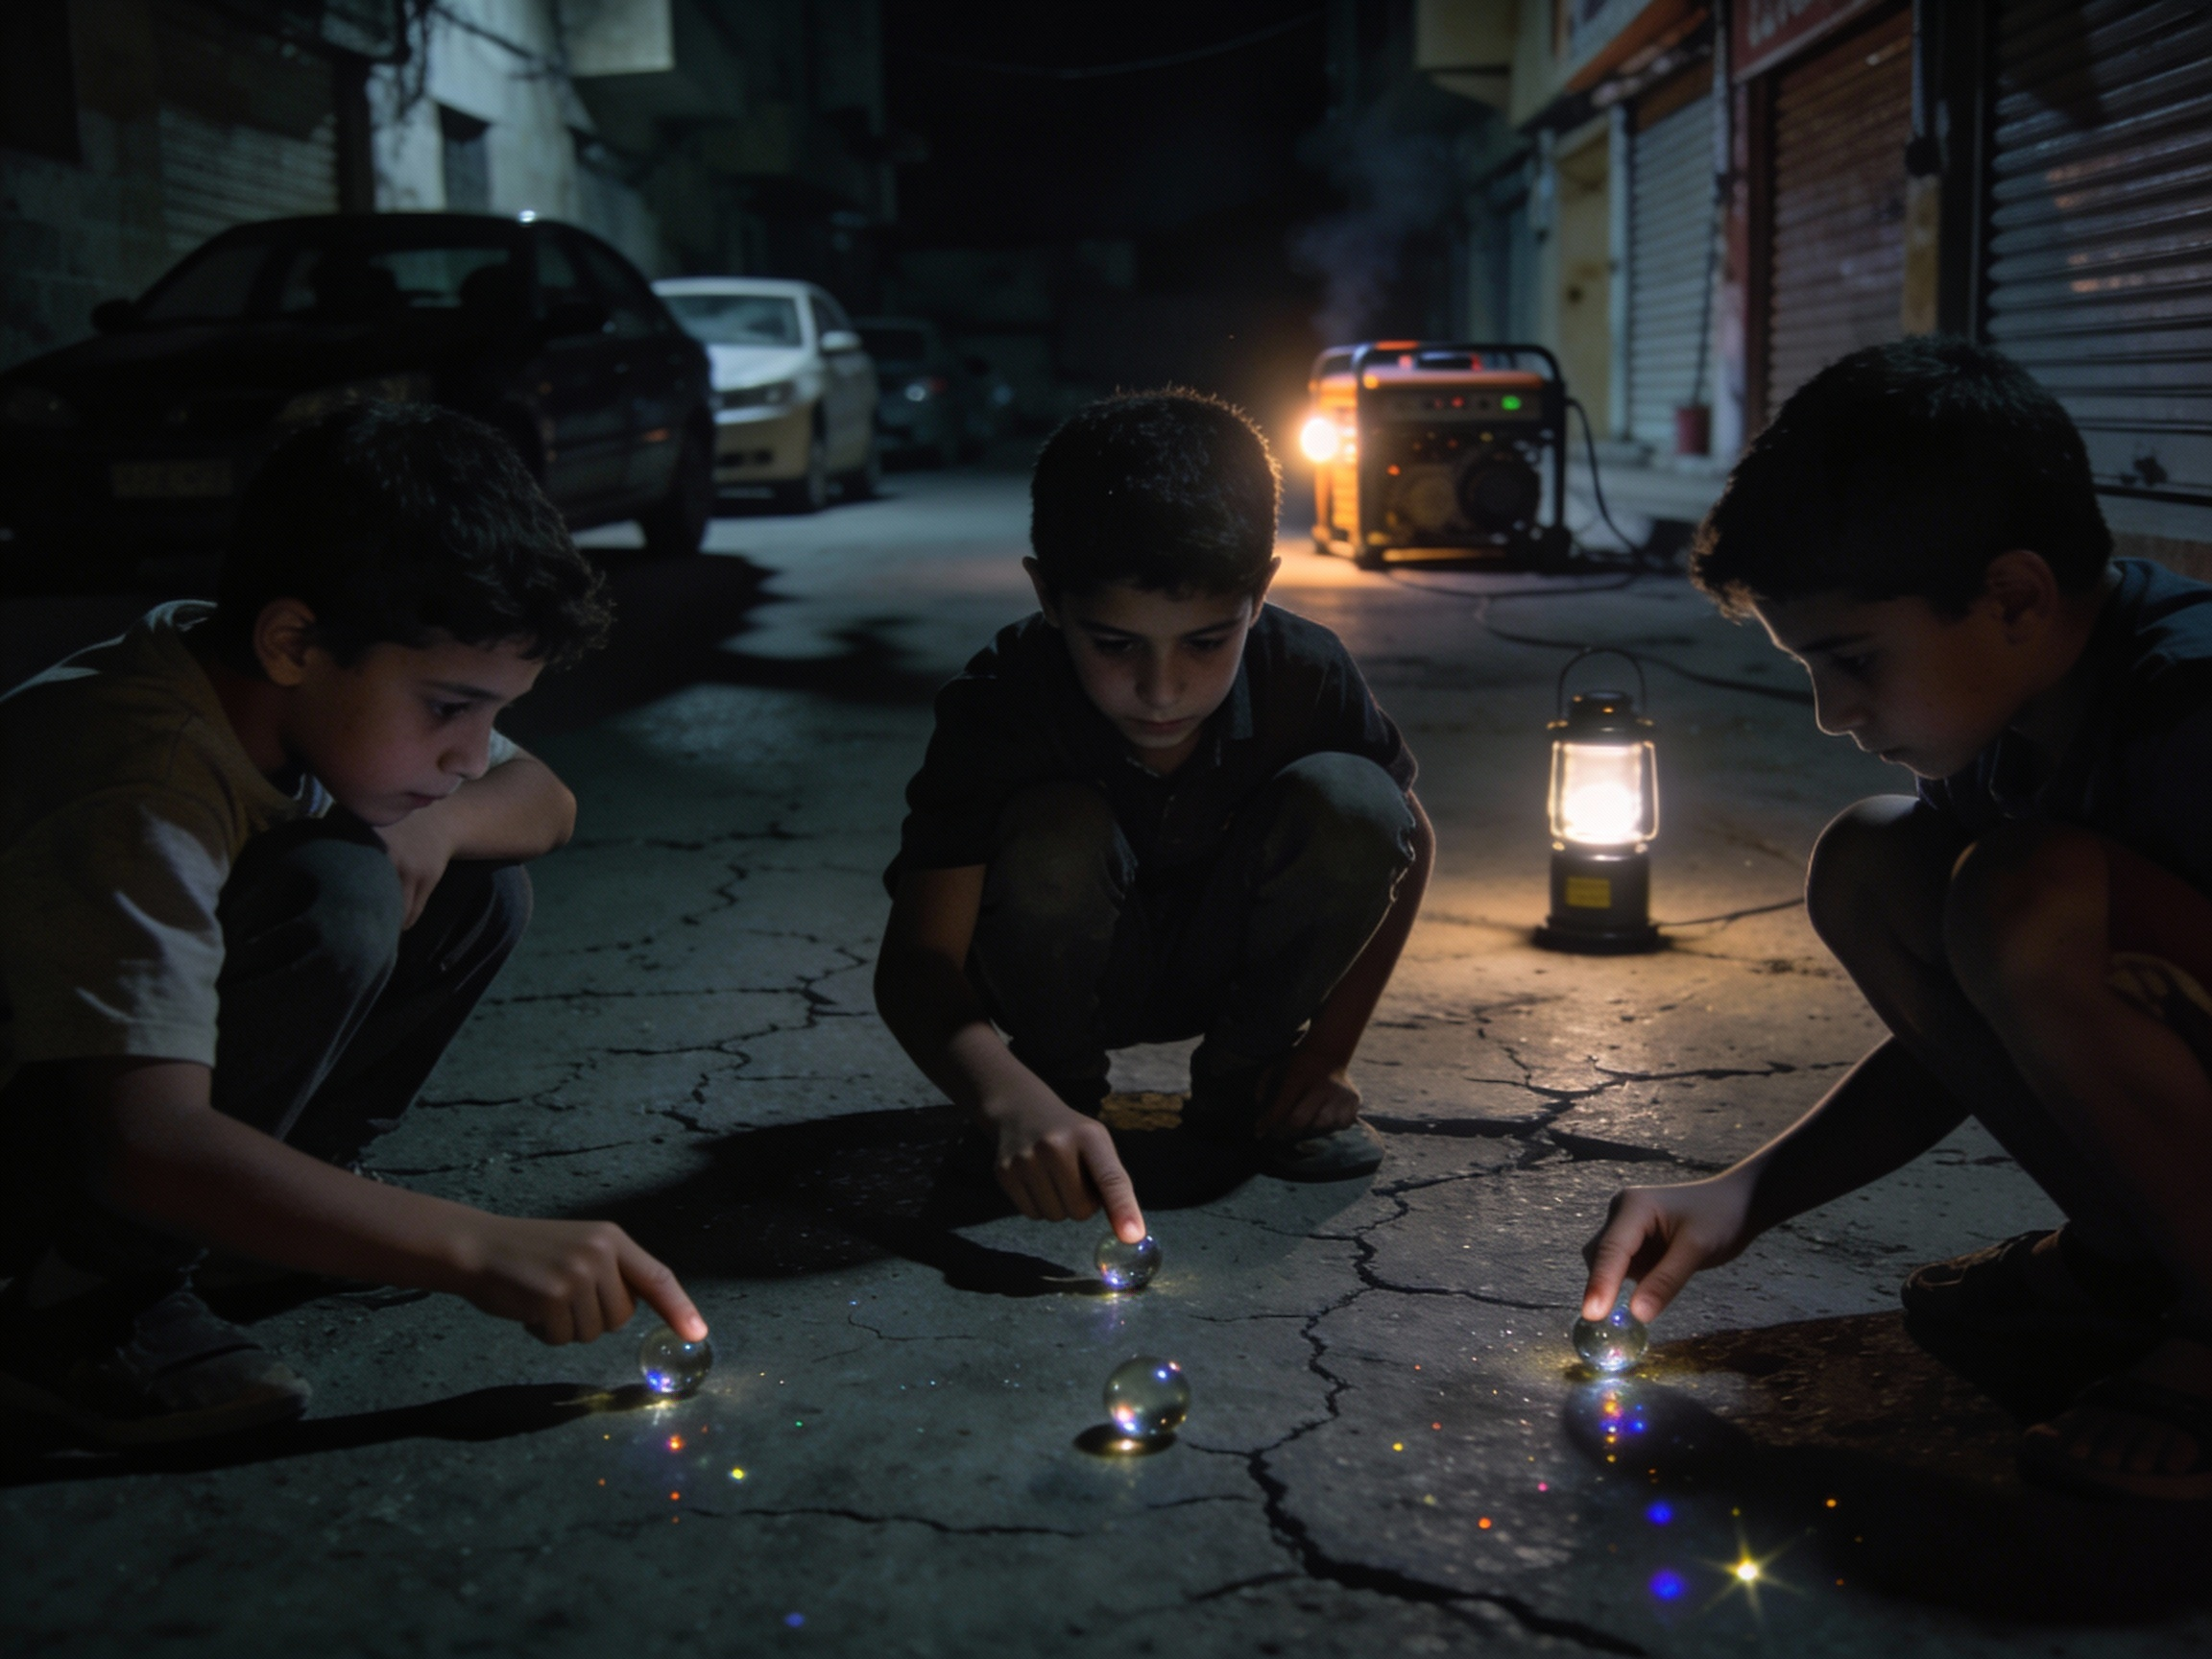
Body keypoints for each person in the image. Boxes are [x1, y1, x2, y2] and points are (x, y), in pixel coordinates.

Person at [1579, 337, 2212, 1501]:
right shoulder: (2012, 730)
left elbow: (2029, 942)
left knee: (2026, 890)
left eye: (1854, 660)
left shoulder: (2192, 715)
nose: (1830, 714)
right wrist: (1745, 1198)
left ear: (2014, 596)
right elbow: (1971, 1024)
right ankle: (2141, 1267)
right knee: (1876, 862)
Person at [0, 403, 706, 1445]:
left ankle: (270, 1217)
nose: (474, 752)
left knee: (461, 873)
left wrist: (438, 827)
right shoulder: (139, 778)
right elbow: (145, 1141)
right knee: (343, 890)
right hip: (65, 1122)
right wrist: (468, 1246)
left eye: (495, 715)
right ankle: (81, 1306)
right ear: (294, 642)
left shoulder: (280, 676)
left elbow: (546, 802)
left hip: (93, 1099)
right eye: (449, 709)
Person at [874, 389, 1434, 1242]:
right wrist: (1006, 1100)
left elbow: (1407, 839)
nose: (1162, 690)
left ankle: (1248, 1085)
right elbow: (917, 962)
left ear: (1261, 591)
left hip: (1235, 966)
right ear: (1048, 596)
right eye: (1115, 644)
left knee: (1355, 799)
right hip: (1062, 975)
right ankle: (1058, 1097)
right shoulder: (1002, 703)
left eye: (1207, 641)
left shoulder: (1305, 672)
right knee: (1054, 827)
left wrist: (1325, 1056)